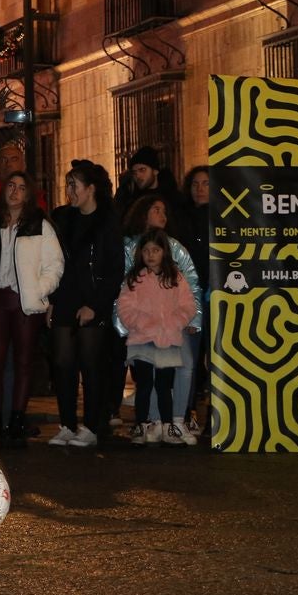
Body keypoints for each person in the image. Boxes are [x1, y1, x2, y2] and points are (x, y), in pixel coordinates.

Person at [0, 171, 63, 446]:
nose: (14, 192)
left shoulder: (39, 225)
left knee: (24, 362)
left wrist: (38, 290)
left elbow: (55, 264)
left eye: (20, 188)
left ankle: (17, 419)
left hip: (25, 303)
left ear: (28, 194)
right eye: (10, 186)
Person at [47, 160, 123, 447]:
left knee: (91, 364)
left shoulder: (108, 221)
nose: (69, 191)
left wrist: (95, 304)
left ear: (90, 189)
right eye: (67, 184)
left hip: (93, 301)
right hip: (65, 297)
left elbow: (115, 269)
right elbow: (54, 262)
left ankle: (91, 425)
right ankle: (66, 423)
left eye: (74, 185)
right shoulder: (62, 217)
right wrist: (52, 300)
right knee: (63, 362)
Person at [115, 194, 202, 445]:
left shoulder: (175, 277)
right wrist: (140, 322)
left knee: (164, 383)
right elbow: (125, 306)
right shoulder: (136, 279)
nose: (151, 255)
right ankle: (145, 425)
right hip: (143, 338)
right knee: (144, 384)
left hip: (168, 338)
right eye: (147, 251)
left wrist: (176, 321)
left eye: (156, 250)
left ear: (165, 252)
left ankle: (169, 425)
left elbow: (187, 303)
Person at [183, 165, 211, 428]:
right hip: (191, 297)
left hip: (217, 294)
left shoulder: (224, 217)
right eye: (195, 184)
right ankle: (188, 410)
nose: (200, 189)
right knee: (190, 356)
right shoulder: (183, 219)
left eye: (205, 184)